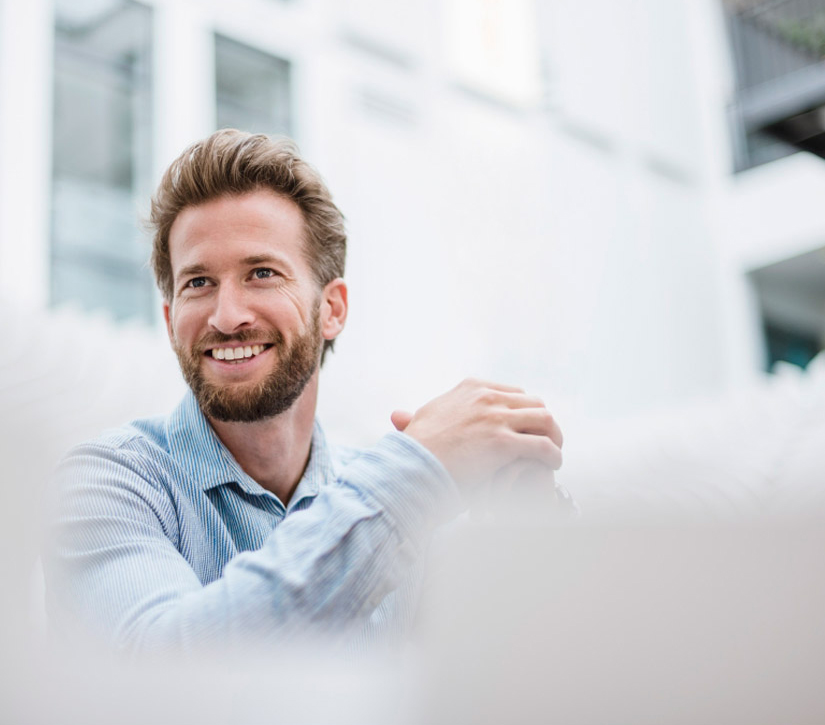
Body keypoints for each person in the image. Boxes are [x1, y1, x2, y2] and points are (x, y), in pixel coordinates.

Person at [42, 129, 564, 654]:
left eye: (262, 273)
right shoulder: (105, 485)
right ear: (169, 315)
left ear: (331, 309)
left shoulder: (398, 503)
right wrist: (418, 469)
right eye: (197, 283)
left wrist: (534, 530)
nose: (226, 317)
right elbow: (173, 675)